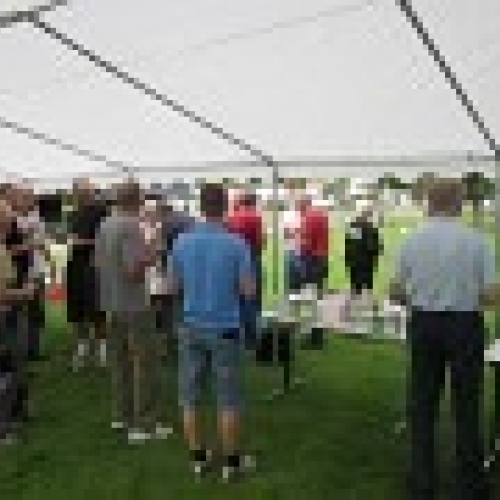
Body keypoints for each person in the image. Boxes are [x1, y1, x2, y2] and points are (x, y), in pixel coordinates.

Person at [389, 179, 497, 500]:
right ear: (458, 203)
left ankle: (422, 482)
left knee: (422, 404)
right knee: (467, 404)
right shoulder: (478, 241)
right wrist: (464, 295)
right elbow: (492, 295)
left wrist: (421, 297)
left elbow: (395, 291)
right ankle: (469, 485)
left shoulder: (411, 240)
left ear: (429, 203)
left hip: (425, 323)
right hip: (464, 324)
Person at [167, 183, 256, 481]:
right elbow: (248, 291)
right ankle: (231, 463)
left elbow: (172, 287)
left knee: (189, 395)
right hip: (224, 327)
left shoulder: (181, 242)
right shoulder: (237, 244)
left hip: (191, 325)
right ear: (225, 206)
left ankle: (198, 458)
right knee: (228, 398)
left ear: (201, 206)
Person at [95, 180, 171, 444]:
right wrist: (154, 252)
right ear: (136, 200)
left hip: (111, 302)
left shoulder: (105, 224)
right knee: (145, 363)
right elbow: (133, 271)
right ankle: (144, 424)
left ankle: (121, 416)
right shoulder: (130, 226)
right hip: (134, 305)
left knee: (120, 362)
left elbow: (99, 263)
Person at [0, 199, 36, 443]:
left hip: (9, 314)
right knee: (6, 373)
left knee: (12, 370)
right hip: (5, 316)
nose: (12, 224)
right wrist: (26, 292)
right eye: (8, 219)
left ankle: (13, 416)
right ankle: (4, 428)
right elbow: (2, 294)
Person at [65, 179, 109, 371]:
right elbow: (71, 238)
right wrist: (72, 241)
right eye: (77, 191)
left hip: (94, 267)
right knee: (77, 310)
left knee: (97, 310)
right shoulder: (73, 213)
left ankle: (102, 351)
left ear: (90, 192)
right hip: (75, 266)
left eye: (84, 191)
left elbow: (105, 240)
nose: (80, 195)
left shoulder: (102, 211)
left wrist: (83, 242)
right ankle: (81, 349)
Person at [226, 191, 265, 350]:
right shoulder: (255, 216)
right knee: (252, 300)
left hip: (232, 262)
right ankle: (251, 338)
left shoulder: (231, 217)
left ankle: (238, 335)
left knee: (236, 298)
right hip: (251, 259)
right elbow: (260, 242)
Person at [344, 207, 383, 319]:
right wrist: (376, 254)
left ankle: (352, 312)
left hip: (355, 263)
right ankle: (369, 312)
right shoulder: (371, 228)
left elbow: (350, 245)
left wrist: (348, 260)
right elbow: (374, 247)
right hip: (366, 263)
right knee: (367, 287)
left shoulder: (353, 227)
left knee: (356, 288)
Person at [295, 194, 330, 296]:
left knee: (307, 277)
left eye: (299, 206)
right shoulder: (321, 214)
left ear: (303, 204)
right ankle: (319, 295)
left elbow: (307, 237)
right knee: (319, 279)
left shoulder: (307, 217)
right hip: (323, 251)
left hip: (312, 253)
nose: (298, 209)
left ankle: (309, 296)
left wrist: (301, 249)